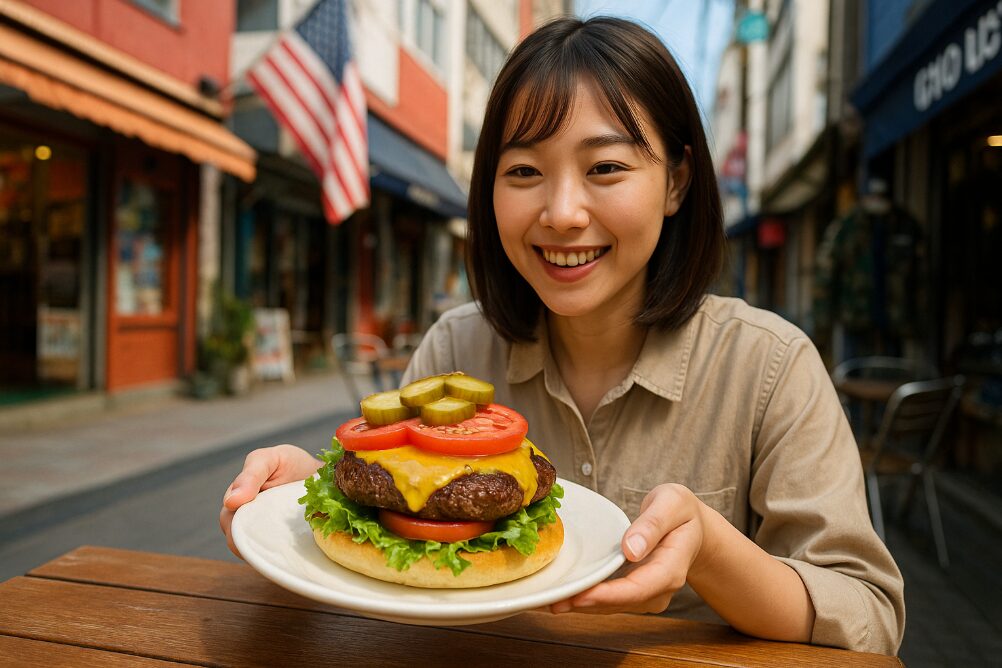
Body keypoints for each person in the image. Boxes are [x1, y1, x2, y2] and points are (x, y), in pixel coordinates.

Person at [220, 16, 905, 654]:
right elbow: (404, 542)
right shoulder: (457, 349)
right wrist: (312, 495)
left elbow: (870, 618)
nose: (563, 213)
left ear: (677, 181)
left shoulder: (770, 367)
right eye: (524, 172)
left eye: (605, 167)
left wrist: (713, 552)